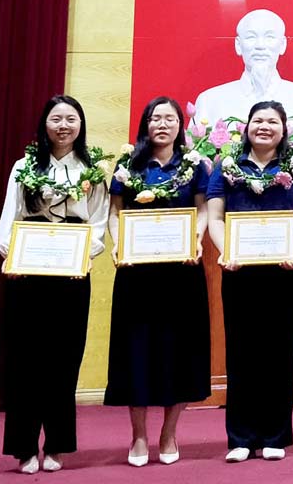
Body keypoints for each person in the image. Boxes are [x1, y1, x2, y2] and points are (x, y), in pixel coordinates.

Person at [0, 95, 109, 473]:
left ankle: (58, 444)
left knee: (64, 360)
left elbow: (98, 224)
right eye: (56, 118)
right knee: (25, 361)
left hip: (72, 275)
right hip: (28, 272)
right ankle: (25, 447)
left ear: (81, 125)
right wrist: (12, 256)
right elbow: (9, 218)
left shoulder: (92, 171)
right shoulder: (24, 166)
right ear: (44, 124)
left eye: (71, 119)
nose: (64, 125)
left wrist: (82, 257)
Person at [207, 100, 293, 462]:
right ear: (246, 127)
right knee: (241, 352)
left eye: (272, 121)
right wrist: (227, 252)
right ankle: (240, 437)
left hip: (285, 272)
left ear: (284, 129)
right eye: (258, 120)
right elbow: (216, 217)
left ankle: (274, 435)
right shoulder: (226, 167)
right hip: (240, 272)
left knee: (279, 352)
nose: (264, 127)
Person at [106, 97, 211, 466]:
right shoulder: (127, 165)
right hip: (138, 274)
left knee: (179, 353)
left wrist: (195, 239)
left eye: (170, 118)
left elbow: (202, 209)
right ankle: (138, 435)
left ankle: (169, 433)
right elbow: (116, 213)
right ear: (145, 124)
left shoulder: (196, 164)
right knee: (136, 352)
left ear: (181, 124)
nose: (162, 124)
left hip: (182, 273)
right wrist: (120, 245)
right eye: (155, 118)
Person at [192, 9, 293, 129]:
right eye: (251, 37)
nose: (260, 45)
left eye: (269, 37)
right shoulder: (209, 101)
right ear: (238, 45)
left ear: (282, 45)